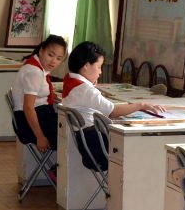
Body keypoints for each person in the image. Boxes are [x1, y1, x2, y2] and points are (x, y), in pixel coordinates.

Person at [59, 41, 166, 170]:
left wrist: (91, 84)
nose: (100, 72)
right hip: (98, 145)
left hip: (88, 142)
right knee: (144, 147)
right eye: (99, 67)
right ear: (86, 66)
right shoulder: (86, 90)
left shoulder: (71, 81)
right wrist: (140, 105)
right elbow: (113, 111)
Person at [10, 35, 67, 158]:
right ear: (41, 51)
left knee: (70, 127)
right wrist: (40, 137)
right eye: (50, 55)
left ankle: (59, 172)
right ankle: (59, 173)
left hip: (38, 116)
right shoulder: (34, 72)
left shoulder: (37, 68)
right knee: (71, 135)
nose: (53, 61)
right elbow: (28, 107)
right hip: (29, 122)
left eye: (58, 58)